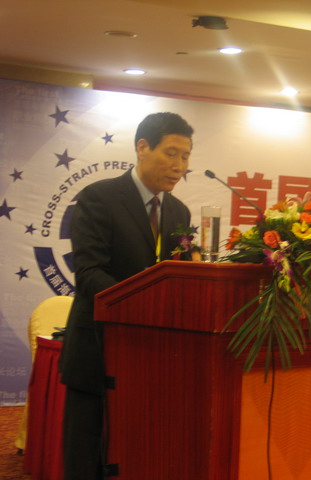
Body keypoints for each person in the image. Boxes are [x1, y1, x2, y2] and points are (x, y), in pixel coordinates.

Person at [59, 112, 194, 480]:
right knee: (87, 454)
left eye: (185, 157)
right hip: (97, 348)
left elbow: (179, 276)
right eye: (171, 153)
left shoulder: (179, 212)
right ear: (142, 147)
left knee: (137, 450)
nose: (179, 166)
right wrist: (142, 307)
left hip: (150, 355)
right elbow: (89, 273)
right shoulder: (99, 197)